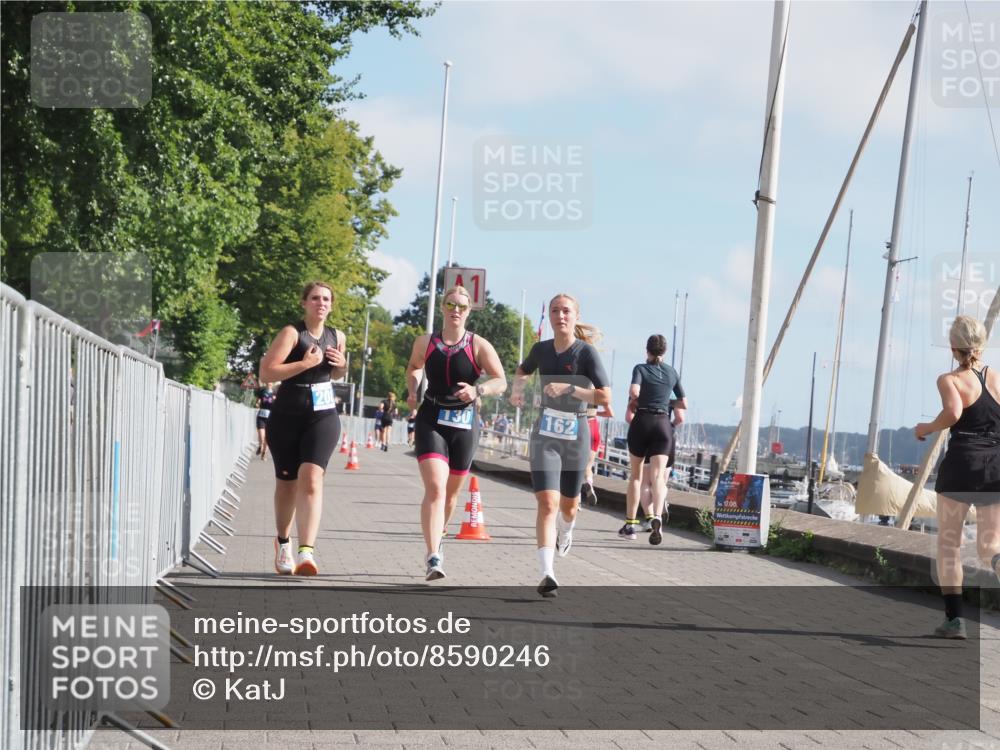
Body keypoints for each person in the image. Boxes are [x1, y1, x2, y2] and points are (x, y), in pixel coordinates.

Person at [511, 294, 611, 597]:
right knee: (547, 503)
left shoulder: (587, 354)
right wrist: (518, 391)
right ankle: (547, 572)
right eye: (555, 310)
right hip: (545, 432)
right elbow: (522, 370)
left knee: (568, 505)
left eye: (566, 311)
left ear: (575, 315)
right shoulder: (540, 350)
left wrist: (572, 388)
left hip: (576, 432)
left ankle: (567, 530)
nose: (560, 315)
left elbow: (605, 397)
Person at [405, 286, 507, 581]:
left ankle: (439, 535)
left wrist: (479, 389)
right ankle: (433, 554)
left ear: (469, 311)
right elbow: (414, 367)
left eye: (462, 306)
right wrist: (413, 389)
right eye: (450, 304)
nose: (456, 310)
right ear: (442, 307)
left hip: (464, 423)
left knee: (451, 495)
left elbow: (500, 379)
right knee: (435, 488)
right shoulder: (426, 341)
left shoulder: (478, 345)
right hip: (432, 417)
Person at [915, 315, 1000, 639]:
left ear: (953, 347)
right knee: (990, 544)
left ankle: (954, 621)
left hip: (962, 465)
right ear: (980, 345)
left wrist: (926, 428)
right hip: (995, 467)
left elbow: (953, 413)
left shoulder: (949, 379)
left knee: (949, 544)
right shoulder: (996, 377)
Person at [259, 281, 347, 576]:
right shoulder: (291, 334)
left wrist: (342, 365)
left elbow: (335, 373)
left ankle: (306, 551)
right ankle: (283, 542)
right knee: (286, 483)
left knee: (311, 477)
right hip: (286, 416)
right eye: (315, 298)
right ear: (304, 303)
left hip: (322, 416)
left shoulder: (338, 336)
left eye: (326, 299)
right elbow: (266, 372)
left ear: (331, 305)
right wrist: (304, 363)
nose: (321, 303)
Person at [620, 335, 686, 545]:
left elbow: (633, 391)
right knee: (658, 478)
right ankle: (657, 516)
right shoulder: (671, 372)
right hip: (663, 424)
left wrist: (637, 401)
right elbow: (682, 404)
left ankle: (630, 525)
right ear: (664, 352)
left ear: (646, 350)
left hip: (643, 421)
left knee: (637, 477)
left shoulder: (640, 368)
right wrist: (664, 400)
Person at [255, 382, 276, 460]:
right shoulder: (262, 391)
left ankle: (264, 453)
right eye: (268, 382)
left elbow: (278, 404)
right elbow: (257, 401)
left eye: (271, 382)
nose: (269, 383)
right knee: (261, 436)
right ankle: (260, 446)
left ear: (272, 384)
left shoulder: (275, 393)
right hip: (261, 416)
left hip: (270, 417)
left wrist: (275, 401)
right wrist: (257, 403)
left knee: (267, 438)